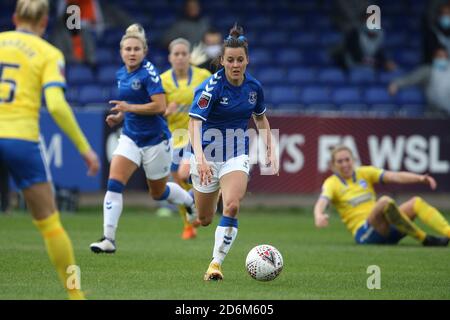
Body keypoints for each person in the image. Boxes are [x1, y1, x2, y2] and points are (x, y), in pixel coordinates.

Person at [0, 0, 100, 299]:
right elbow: (56, 104)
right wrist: (85, 149)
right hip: (21, 139)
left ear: (15, 17)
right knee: (50, 223)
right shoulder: (49, 53)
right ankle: (75, 294)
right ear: (44, 23)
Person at [89, 24, 197, 253]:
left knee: (158, 193)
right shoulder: (121, 74)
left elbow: (160, 106)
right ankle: (108, 239)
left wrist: (128, 106)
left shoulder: (149, 73)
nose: (131, 52)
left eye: (136, 49)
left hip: (155, 140)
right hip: (130, 137)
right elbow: (132, 106)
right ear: (121, 51)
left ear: (144, 51)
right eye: (127, 48)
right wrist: (121, 115)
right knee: (114, 184)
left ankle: (189, 200)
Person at [188, 24, 278, 281]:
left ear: (247, 60)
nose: (235, 65)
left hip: (236, 153)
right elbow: (194, 122)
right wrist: (201, 159)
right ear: (222, 61)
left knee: (232, 205)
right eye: (230, 60)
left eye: (240, 60)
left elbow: (260, 119)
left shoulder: (254, 88)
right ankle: (200, 192)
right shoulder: (211, 87)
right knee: (204, 219)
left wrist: (270, 147)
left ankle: (215, 264)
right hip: (206, 154)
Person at [314, 145, 450, 246]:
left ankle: (448, 231)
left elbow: (395, 176)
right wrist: (318, 215)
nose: (344, 164)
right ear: (332, 165)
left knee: (415, 203)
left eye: (347, 160)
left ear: (353, 160)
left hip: (389, 227)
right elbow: (322, 201)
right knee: (384, 202)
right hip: (365, 235)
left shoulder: (364, 172)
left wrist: (419, 178)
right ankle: (424, 238)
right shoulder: (332, 183)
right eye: (340, 161)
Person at [160, 38, 211, 239]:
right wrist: (165, 111)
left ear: (189, 56)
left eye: (184, 54)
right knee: (180, 183)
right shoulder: (163, 80)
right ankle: (189, 224)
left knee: (187, 176)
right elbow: (155, 111)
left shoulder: (203, 76)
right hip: (174, 137)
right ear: (170, 58)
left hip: (198, 135)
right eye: (176, 54)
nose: (180, 57)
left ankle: (203, 208)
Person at [388, 47, 450, 117]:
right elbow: (410, 79)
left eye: (445, 56)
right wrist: (396, 84)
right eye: (439, 56)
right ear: (434, 58)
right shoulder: (427, 70)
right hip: (435, 113)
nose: (442, 59)